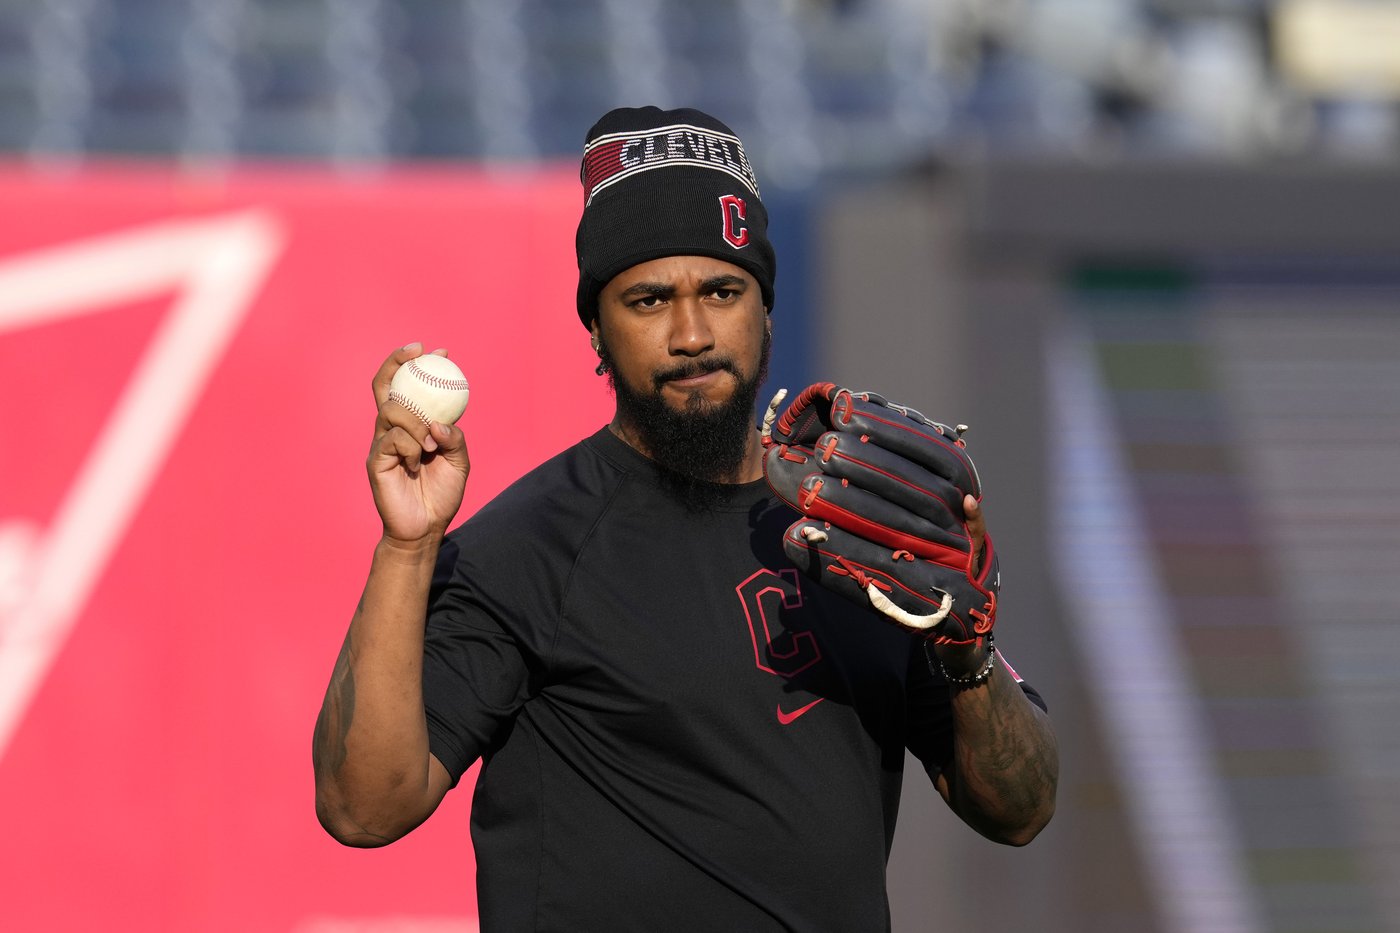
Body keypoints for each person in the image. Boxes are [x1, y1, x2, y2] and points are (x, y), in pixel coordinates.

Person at [313, 106, 1058, 931]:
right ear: (595, 326)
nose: (692, 332)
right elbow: (363, 808)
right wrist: (409, 547)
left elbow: (1019, 811)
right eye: (647, 299)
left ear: (765, 307)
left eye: (722, 290)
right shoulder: (529, 547)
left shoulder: (861, 528)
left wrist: (967, 655)